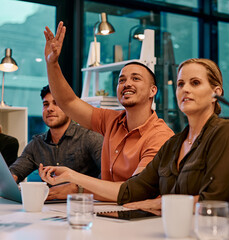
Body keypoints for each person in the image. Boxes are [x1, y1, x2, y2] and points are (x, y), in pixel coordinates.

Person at [40, 58, 229, 217]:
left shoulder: (225, 131)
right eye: (180, 84)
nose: (185, 89)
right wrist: (71, 176)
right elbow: (132, 190)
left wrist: (160, 203)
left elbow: (216, 200)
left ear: (216, 93)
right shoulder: (174, 144)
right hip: (176, 229)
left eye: (195, 83)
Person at [42, 21, 174, 200]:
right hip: (108, 212)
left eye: (136, 78)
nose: (127, 83)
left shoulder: (160, 136)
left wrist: (74, 181)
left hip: (141, 219)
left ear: (153, 91)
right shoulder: (111, 120)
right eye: (121, 80)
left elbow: (133, 191)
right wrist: (52, 63)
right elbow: (68, 102)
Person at [10, 85, 103, 199]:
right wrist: (9, 180)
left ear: (69, 108)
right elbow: (15, 172)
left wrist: (78, 189)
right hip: (48, 209)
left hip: (85, 208)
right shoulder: (37, 143)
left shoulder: (90, 137)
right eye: (46, 104)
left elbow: (108, 177)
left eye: (56, 103)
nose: (50, 108)